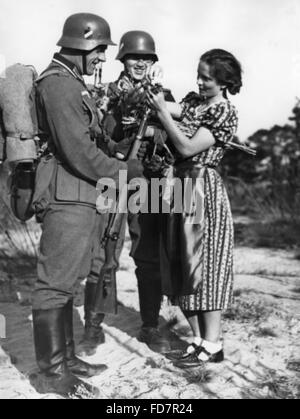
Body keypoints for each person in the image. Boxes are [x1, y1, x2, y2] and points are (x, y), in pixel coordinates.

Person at [31, 13, 144, 398]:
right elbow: (79, 153)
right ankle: (50, 373)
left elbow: (90, 143)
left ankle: (66, 359)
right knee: (54, 284)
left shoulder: (72, 82)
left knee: (66, 283)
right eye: (99, 50)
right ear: (81, 43)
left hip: (80, 194)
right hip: (66, 194)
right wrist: (124, 171)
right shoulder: (60, 85)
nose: (101, 59)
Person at [81, 31, 175, 355]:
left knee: (148, 256)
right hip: (112, 178)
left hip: (147, 182)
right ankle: (92, 324)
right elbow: (94, 136)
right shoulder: (106, 94)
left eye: (147, 58)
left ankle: (150, 324)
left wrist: (157, 144)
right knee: (103, 251)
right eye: (135, 57)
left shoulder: (162, 97)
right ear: (122, 59)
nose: (141, 63)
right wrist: (114, 143)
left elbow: (173, 137)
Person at [147, 49, 242, 368]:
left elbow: (187, 147)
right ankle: (200, 339)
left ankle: (213, 344)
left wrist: (162, 115)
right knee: (184, 264)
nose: (200, 82)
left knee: (207, 268)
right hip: (181, 186)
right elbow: (168, 106)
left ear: (225, 81)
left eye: (207, 78)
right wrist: (150, 92)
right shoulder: (195, 103)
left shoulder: (223, 112)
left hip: (202, 186)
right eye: (199, 75)